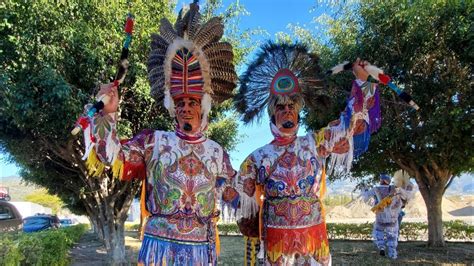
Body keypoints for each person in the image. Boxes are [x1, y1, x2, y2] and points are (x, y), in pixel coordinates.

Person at [79, 3, 239, 265]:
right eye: (180, 103)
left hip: (202, 251)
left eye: (192, 102)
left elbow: (234, 191)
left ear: (204, 106)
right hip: (159, 250)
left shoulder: (217, 153)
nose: (186, 108)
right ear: (172, 107)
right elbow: (111, 156)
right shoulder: (153, 141)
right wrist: (109, 113)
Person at [234, 41, 382, 265]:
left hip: (314, 238)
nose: (287, 112)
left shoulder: (315, 142)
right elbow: (234, 190)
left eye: (291, 107)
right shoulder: (257, 158)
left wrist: (361, 81)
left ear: (298, 113)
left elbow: (347, 125)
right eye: (281, 108)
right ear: (273, 115)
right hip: (276, 240)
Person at [362, 173, 414, 259]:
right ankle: (392, 253)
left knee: (379, 231)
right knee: (392, 235)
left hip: (380, 216)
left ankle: (381, 246)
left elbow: (365, 198)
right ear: (388, 180)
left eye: (380, 179)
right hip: (392, 218)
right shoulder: (396, 190)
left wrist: (364, 189)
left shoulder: (376, 189)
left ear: (382, 180)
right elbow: (405, 198)